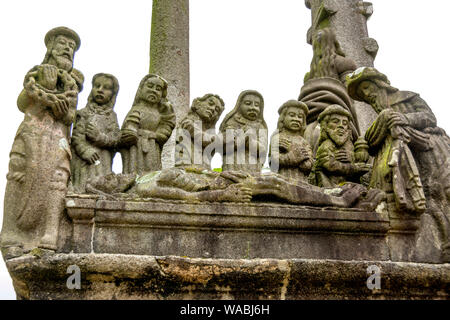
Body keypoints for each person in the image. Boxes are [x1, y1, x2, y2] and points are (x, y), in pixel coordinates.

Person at [347, 66, 450, 261]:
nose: (367, 94)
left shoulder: (408, 97)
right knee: (430, 198)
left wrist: (405, 118)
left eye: (367, 87)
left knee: (443, 191)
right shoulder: (381, 118)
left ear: (379, 83)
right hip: (408, 156)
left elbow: (430, 117)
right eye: (362, 93)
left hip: (433, 150)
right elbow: (372, 140)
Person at [1, 27, 84, 256]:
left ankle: (50, 233)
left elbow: (70, 116)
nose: (67, 49)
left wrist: (61, 107)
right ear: (50, 47)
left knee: (58, 177)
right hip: (31, 131)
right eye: (62, 44)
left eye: (71, 47)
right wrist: (45, 89)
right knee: (18, 173)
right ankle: (10, 231)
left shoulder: (71, 84)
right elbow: (22, 101)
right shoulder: (37, 73)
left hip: (57, 137)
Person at [299, 28, 360, 155]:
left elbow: (348, 93)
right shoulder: (310, 75)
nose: (318, 43)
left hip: (331, 111)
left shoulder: (343, 64)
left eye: (321, 39)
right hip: (319, 114)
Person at [70, 73, 121, 193]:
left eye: (106, 88)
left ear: (113, 94)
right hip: (85, 160)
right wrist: (85, 150)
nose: (100, 90)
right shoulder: (83, 113)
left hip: (103, 159)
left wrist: (100, 137)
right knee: (83, 186)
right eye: (97, 86)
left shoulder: (112, 116)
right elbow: (77, 136)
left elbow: (116, 138)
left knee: (101, 184)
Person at [120, 74, 176, 176]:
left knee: (152, 172)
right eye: (150, 86)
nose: (153, 90)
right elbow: (129, 127)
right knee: (135, 170)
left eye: (158, 89)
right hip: (136, 147)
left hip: (152, 147)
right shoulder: (136, 109)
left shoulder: (161, 113)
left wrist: (157, 135)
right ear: (141, 89)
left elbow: (165, 129)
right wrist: (130, 133)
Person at [312, 105, 371, 187]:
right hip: (329, 184)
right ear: (326, 125)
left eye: (345, 123)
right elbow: (330, 165)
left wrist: (352, 159)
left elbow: (353, 162)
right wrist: (353, 168)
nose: (341, 125)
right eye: (335, 121)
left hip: (345, 183)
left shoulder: (349, 146)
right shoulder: (326, 145)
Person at [219, 90, 268, 174]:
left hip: (253, 168)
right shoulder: (230, 122)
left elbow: (263, 150)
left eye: (257, 105)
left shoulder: (260, 126)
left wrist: (250, 141)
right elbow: (220, 145)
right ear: (239, 104)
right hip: (232, 167)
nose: (253, 107)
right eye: (248, 103)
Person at [175, 93, 225, 170]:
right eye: (210, 103)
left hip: (202, 166)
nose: (212, 109)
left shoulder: (208, 130)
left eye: (217, 110)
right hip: (185, 161)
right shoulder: (189, 121)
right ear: (198, 103)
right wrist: (214, 139)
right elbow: (192, 130)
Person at [269, 100, 313, 183]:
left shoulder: (304, 142)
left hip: (302, 181)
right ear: (283, 118)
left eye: (300, 117)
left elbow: (309, 165)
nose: (296, 119)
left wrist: (300, 160)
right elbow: (274, 161)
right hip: (282, 180)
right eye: (292, 115)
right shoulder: (277, 137)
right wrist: (293, 157)